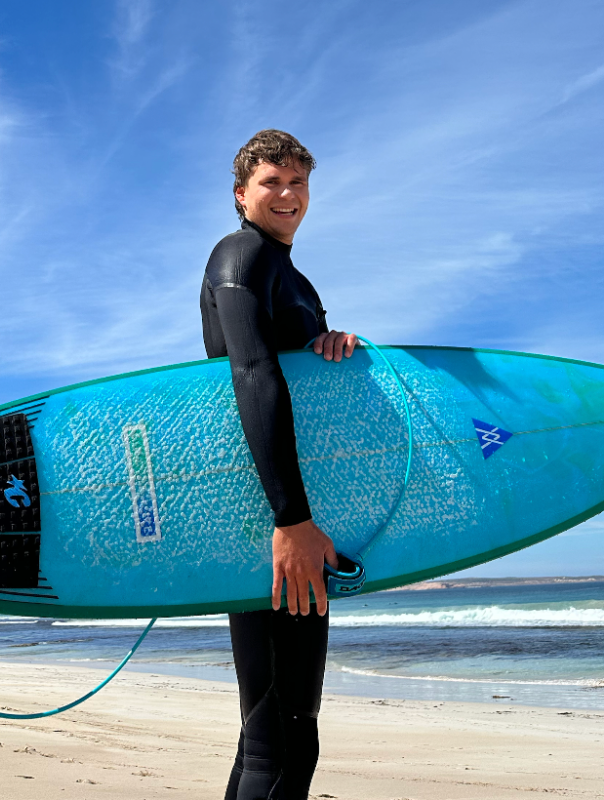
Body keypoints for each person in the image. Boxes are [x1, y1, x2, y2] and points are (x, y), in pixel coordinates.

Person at [200, 129, 358, 800]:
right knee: (279, 744)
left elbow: (293, 378)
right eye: (272, 182)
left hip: (291, 516)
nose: (288, 194)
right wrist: (290, 519)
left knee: (284, 734)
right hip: (269, 518)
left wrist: (325, 342)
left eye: (298, 182)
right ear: (242, 195)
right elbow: (252, 373)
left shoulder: (293, 277)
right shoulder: (240, 255)